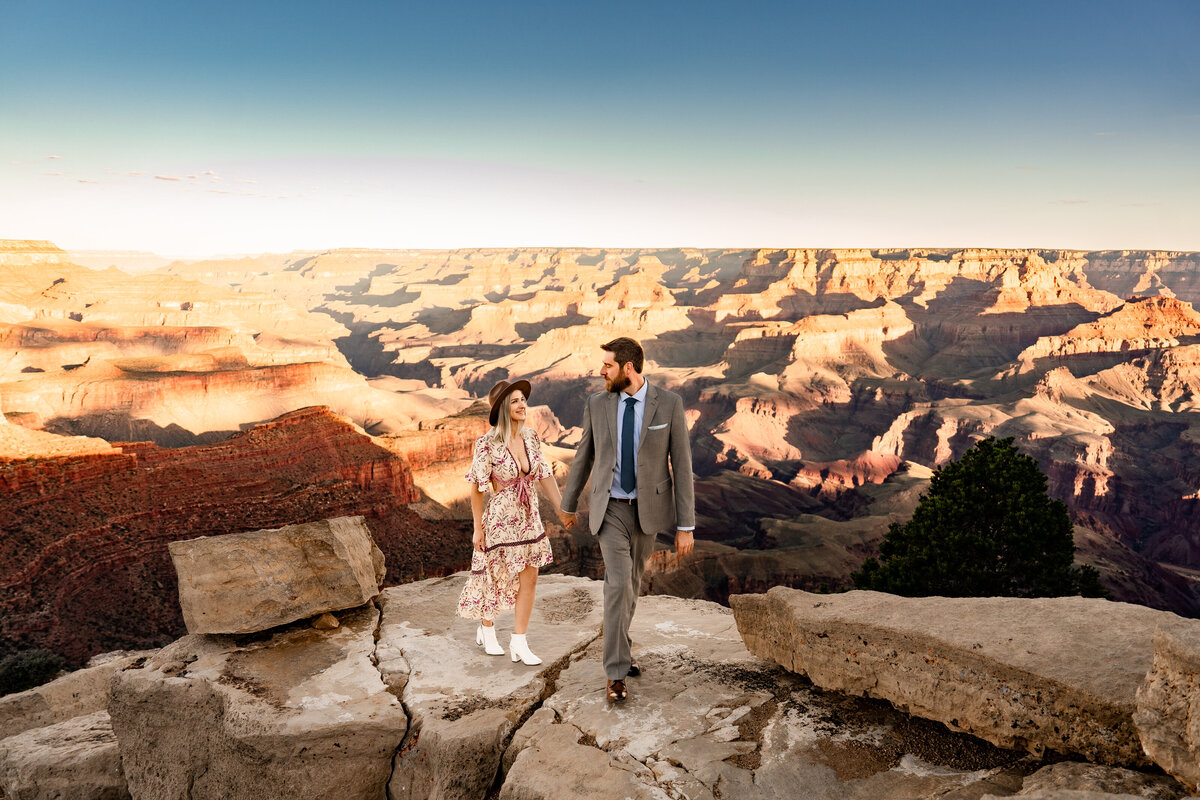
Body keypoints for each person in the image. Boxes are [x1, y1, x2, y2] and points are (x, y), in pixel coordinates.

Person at [558, 337, 695, 703]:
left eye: (607, 365)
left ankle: (624, 647)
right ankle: (616, 672)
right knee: (617, 583)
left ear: (628, 368)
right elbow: (583, 455)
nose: (601, 371)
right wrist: (568, 505)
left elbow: (682, 465)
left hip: (648, 512)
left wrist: (686, 526)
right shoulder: (597, 404)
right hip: (611, 509)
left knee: (632, 584)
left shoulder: (668, 404)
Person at [456, 378, 566, 665]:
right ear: (503, 408)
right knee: (494, 575)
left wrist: (562, 509)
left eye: (523, 400)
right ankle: (487, 627)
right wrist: (477, 529)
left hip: (530, 518)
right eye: (514, 401)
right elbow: (477, 487)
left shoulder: (531, 437)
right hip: (500, 520)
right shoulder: (487, 444)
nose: (522, 405)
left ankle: (519, 642)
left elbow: (544, 475)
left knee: (530, 577)